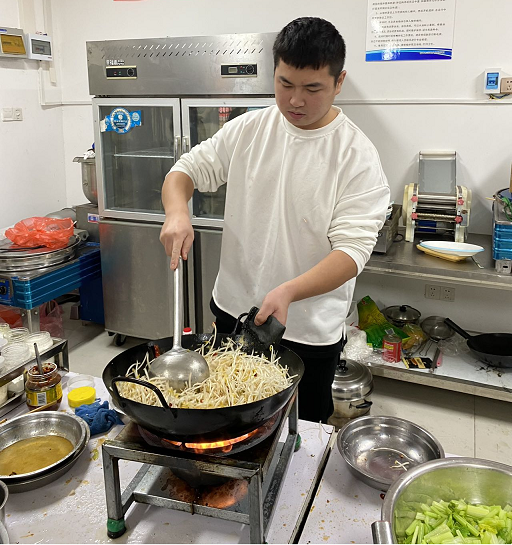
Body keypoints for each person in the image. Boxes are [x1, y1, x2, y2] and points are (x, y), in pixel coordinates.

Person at [160, 17, 390, 423]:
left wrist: (289, 291)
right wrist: (177, 213)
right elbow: (185, 170)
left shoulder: (356, 156)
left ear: (339, 82)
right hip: (234, 311)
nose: (295, 100)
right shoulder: (249, 129)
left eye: (312, 88)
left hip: (306, 331)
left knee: (301, 430)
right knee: (224, 415)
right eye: (285, 84)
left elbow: (352, 253)